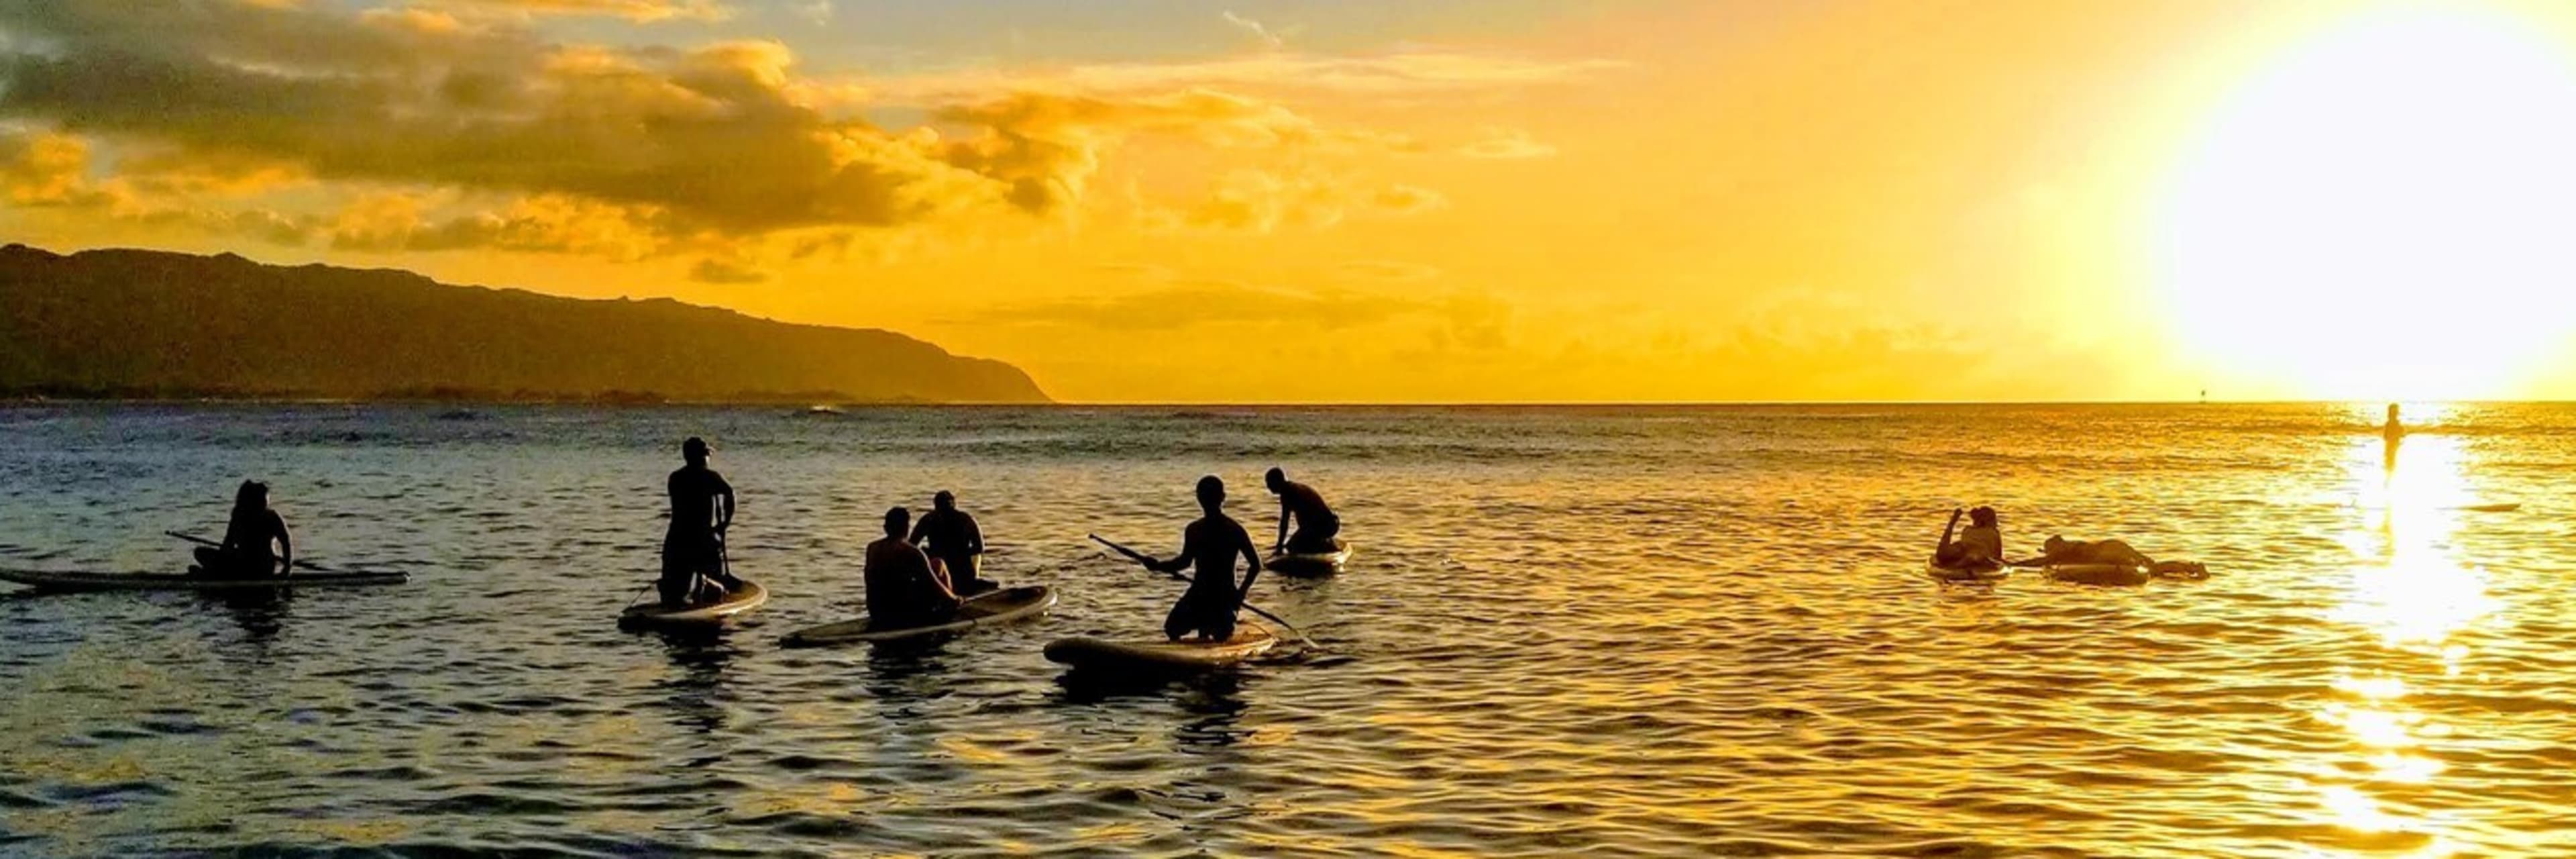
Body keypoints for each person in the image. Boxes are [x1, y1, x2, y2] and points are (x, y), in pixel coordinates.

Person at [1143, 476, 1264, 642]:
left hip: (1224, 598)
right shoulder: (1195, 530)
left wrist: (1239, 595)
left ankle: (1211, 640)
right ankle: (1194, 650)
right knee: (1171, 628)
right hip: (1199, 594)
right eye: (1204, 495)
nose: (1206, 500)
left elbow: (1256, 565)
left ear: (1222, 498)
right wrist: (1158, 566)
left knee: (1217, 635)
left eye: (1209, 495)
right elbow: (1184, 562)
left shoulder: (1233, 530)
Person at [659, 437, 740, 607]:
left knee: (675, 588)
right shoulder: (709, 477)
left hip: (677, 538)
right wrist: (724, 524)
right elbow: (730, 494)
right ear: (701, 457)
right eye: (706, 455)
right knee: (713, 582)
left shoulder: (675, 478)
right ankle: (707, 589)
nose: (708, 459)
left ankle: (687, 594)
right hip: (702, 538)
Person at [867, 507, 960, 627]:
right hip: (903, 615)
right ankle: (947, 610)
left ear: (886, 528)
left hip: (876, 612)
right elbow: (934, 583)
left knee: (934, 564)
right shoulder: (912, 552)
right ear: (906, 528)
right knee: (939, 564)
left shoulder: (872, 548)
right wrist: (955, 599)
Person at [191, 481, 292, 578]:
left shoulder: (271, 517)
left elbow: (286, 542)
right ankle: (212, 572)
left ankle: (209, 573)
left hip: (262, 566)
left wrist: (287, 569)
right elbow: (228, 543)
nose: (265, 502)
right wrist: (227, 553)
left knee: (210, 558)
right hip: (242, 561)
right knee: (200, 552)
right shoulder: (239, 515)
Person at [908, 490, 991, 595]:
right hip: (947, 568)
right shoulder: (964, 520)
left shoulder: (930, 519)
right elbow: (979, 548)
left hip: (957, 568)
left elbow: (912, 547)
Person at [2031, 535, 2207, 578]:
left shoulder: (2064, 549)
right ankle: (2190, 567)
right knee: (2153, 567)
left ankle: (2190, 568)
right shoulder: (2076, 545)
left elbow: (2043, 562)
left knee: (2151, 570)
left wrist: (2012, 564)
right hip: (2115, 545)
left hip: (2105, 554)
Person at [1264, 467, 1340, 554]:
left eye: (1269, 483)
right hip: (1327, 524)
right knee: (1292, 545)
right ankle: (1322, 542)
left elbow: (1285, 522)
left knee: (1293, 547)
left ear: (1277, 481)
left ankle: (1326, 545)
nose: (1268, 486)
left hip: (1326, 526)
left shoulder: (1288, 493)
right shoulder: (1293, 487)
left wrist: (1280, 544)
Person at [1933, 506, 2004, 568]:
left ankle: (1952, 523)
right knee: (1978, 557)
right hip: (1977, 553)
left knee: (1942, 553)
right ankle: (1965, 562)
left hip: (1961, 548)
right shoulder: (1994, 533)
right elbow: (1998, 557)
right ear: (1990, 521)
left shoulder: (1967, 529)